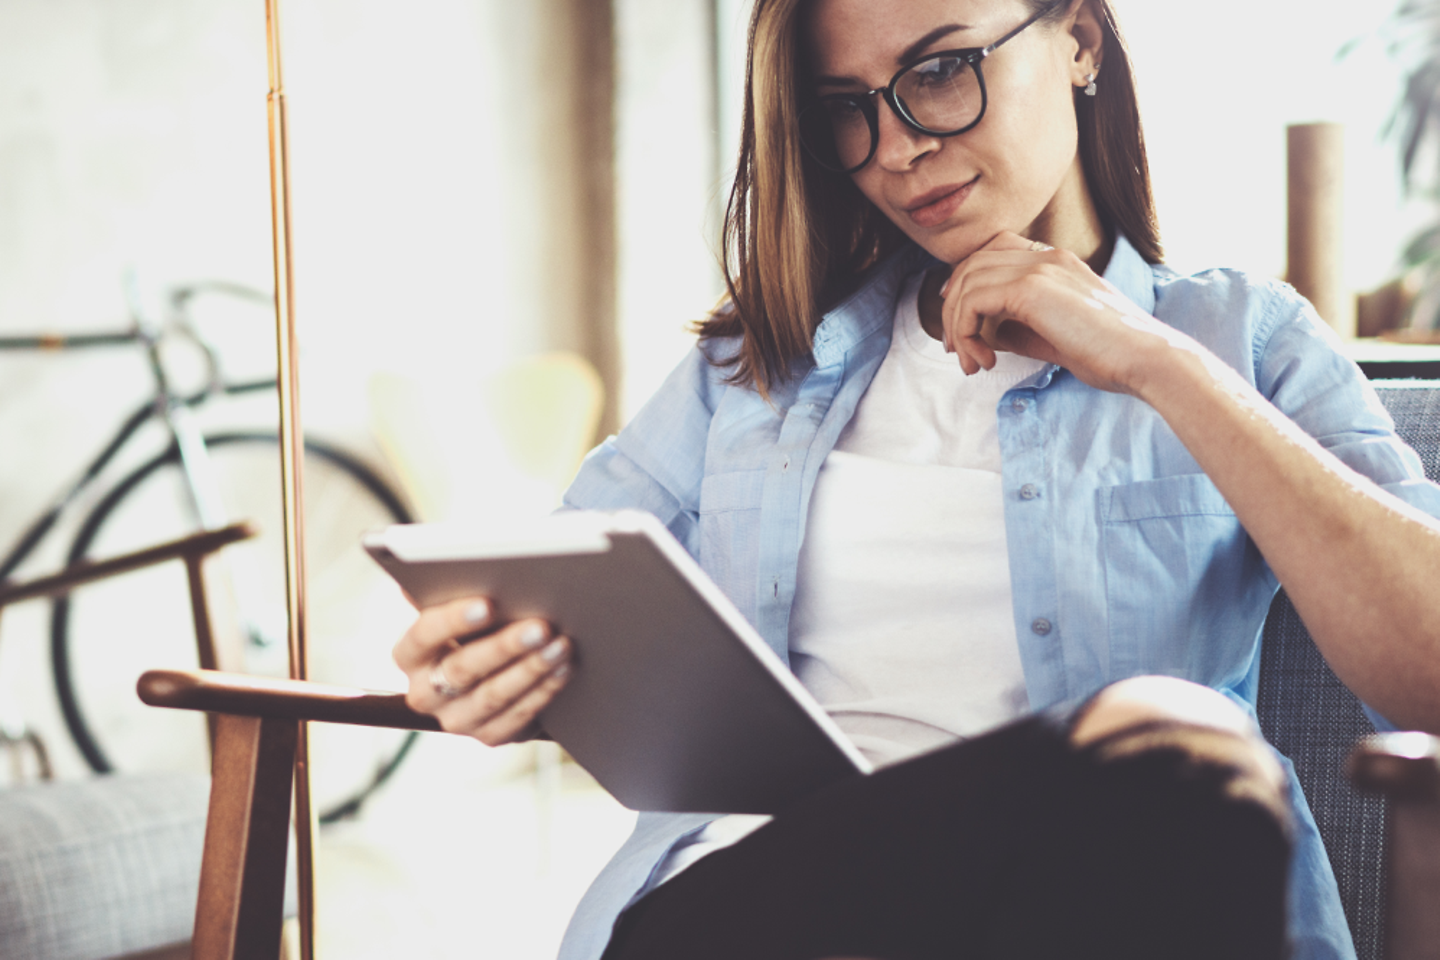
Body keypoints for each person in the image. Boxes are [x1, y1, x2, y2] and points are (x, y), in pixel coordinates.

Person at [391, 0, 1440, 957]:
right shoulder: (751, 369)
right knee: (1185, 742)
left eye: (939, 71)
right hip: (747, 906)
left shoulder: (1237, 340)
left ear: (1078, 38)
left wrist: (1155, 363)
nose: (895, 149)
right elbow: (549, 594)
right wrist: (480, 659)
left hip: (1091, 909)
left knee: (1182, 750)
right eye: (846, 108)